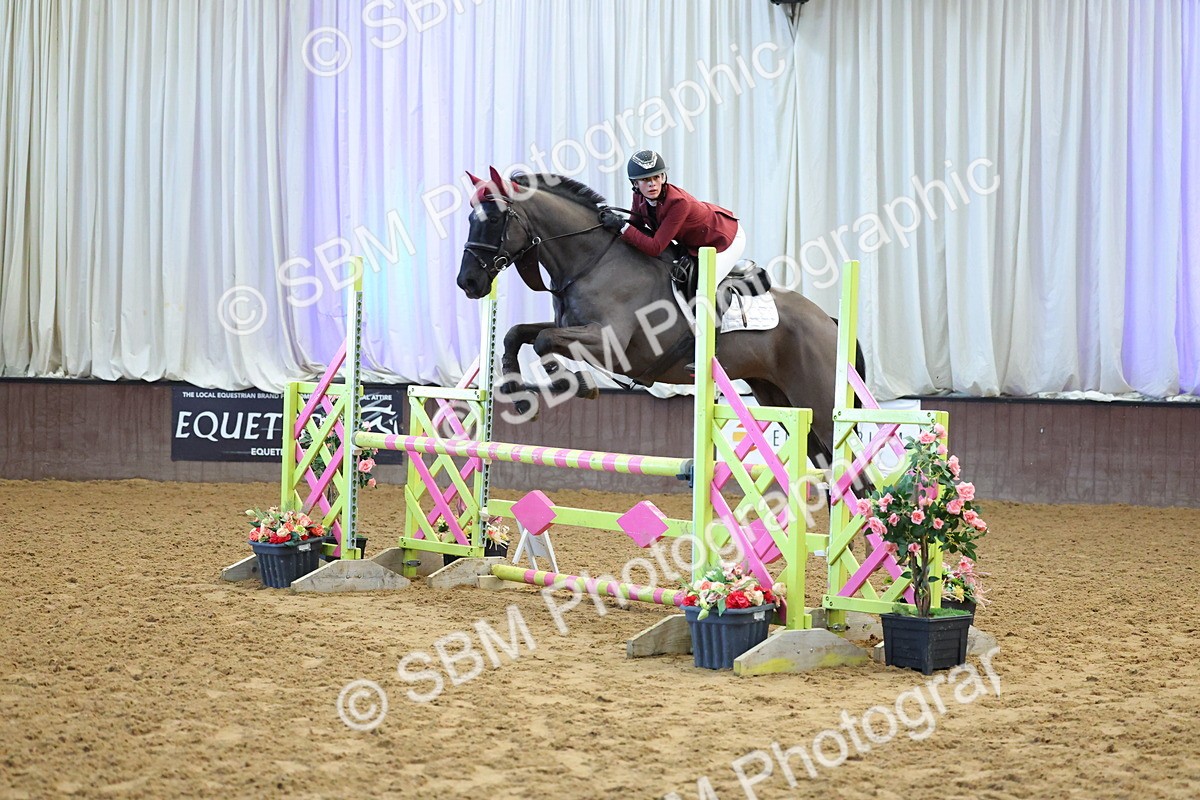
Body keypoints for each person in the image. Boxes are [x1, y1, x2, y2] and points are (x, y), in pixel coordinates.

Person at [599, 149, 746, 286]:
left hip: (724, 239)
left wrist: (622, 226)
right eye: (645, 179)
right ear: (635, 183)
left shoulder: (678, 203)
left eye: (656, 177)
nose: (652, 184)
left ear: (663, 177)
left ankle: (726, 307)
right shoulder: (639, 196)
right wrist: (612, 224)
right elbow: (635, 227)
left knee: (704, 286)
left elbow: (655, 247)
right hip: (696, 243)